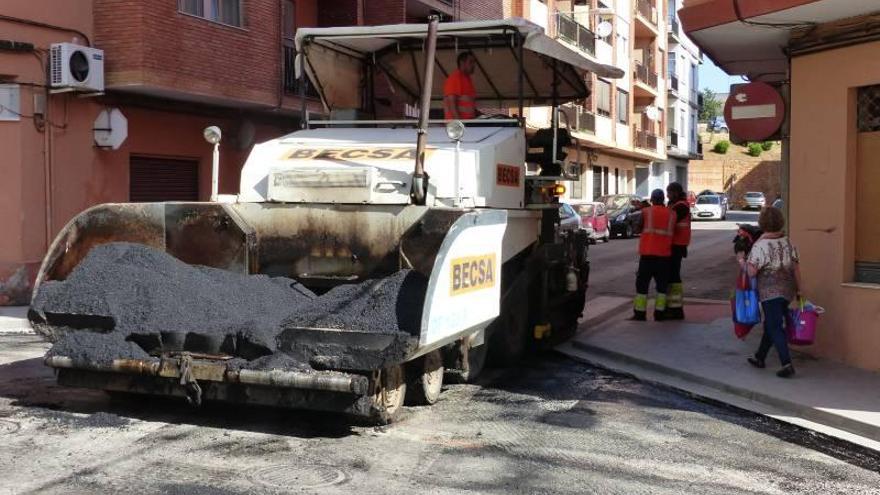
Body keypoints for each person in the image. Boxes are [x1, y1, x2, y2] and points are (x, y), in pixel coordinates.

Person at [738, 206, 802, 378]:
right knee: (771, 324)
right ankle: (760, 357)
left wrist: (742, 261)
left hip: (769, 291)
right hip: (788, 289)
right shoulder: (788, 242)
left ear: (762, 223)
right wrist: (800, 290)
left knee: (774, 326)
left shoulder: (760, 245)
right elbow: (796, 268)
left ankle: (786, 363)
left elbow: (751, 272)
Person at [632, 189, 675, 321]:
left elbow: (637, 229)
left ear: (652, 199)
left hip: (647, 256)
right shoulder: (672, 214)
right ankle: (659, 314)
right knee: (662, 287)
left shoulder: (646, 212)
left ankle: (640, 314)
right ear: (663, 200)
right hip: (664, 256)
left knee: (642, 285)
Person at [665, 182, 691, 320]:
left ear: (675, 192)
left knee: (673, 277)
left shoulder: (681, 206)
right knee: (671, 276)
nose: (667, 195)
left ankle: (676, 309)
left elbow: (669, 220)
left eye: (669, 192)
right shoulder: (677, 205)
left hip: (676, 245)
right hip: (675, 245)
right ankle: (673, 307)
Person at [443, 51, 477, 120]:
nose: (474, 65)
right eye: (470, 62)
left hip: (468, 123)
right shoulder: (455, 78)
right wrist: (459, 124)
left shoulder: (468, 79)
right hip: (457, 126)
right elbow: (452, 104)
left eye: (474, 62)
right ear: (462, 63)